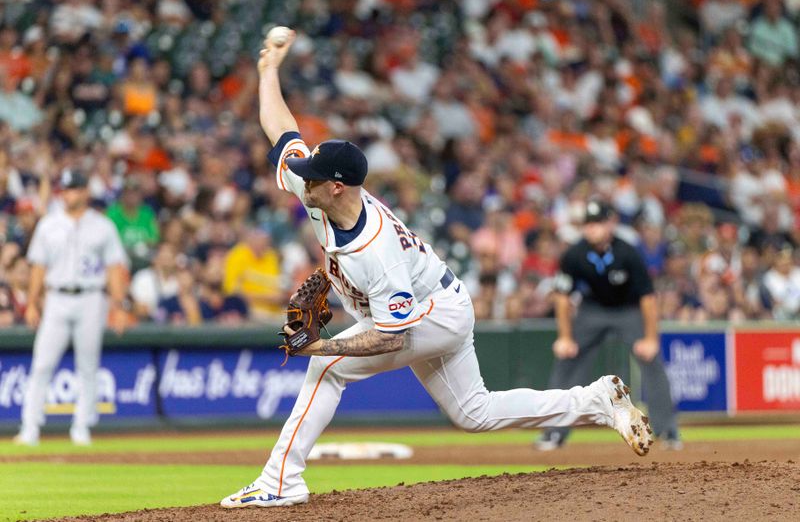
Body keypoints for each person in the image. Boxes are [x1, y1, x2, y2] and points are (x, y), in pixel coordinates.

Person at [219, 31, 654, 510]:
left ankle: (281, 480)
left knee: (326, 367)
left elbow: (390, 336)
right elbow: (281, 130)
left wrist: (324, 345)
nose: (303, 180)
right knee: (475, 412)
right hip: (436, 300)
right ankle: (596, 401)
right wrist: (268, 72)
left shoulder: (375, 249)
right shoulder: (319, 193)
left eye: (314, 177)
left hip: (434, 312)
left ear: (338, 187)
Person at [535, 200, 680, 452]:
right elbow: (561, 296)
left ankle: (668, 430)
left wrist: (650, 338)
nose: (592, 229)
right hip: (592, 311)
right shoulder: (575, 254)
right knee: (567, 363)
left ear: (610, 223)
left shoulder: (628, 252)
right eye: (588, 224)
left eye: (598, 223)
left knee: (652, 362)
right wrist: (565, 337)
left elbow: (647, 297)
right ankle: (553, 433)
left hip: (627, 309)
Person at [13, 169, 129, 447]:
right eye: (65, 189)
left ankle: (82, 428)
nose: (69, 194)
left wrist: (119, 305)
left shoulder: (102, 225)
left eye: (74, 189)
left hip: (91, 297)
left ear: (85, 191)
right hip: (56, 297)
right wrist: (32, 303)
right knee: (42, 363)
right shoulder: (49, 224)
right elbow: (38, 267)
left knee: (87, 365)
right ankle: (30, 428)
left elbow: (114, 267)